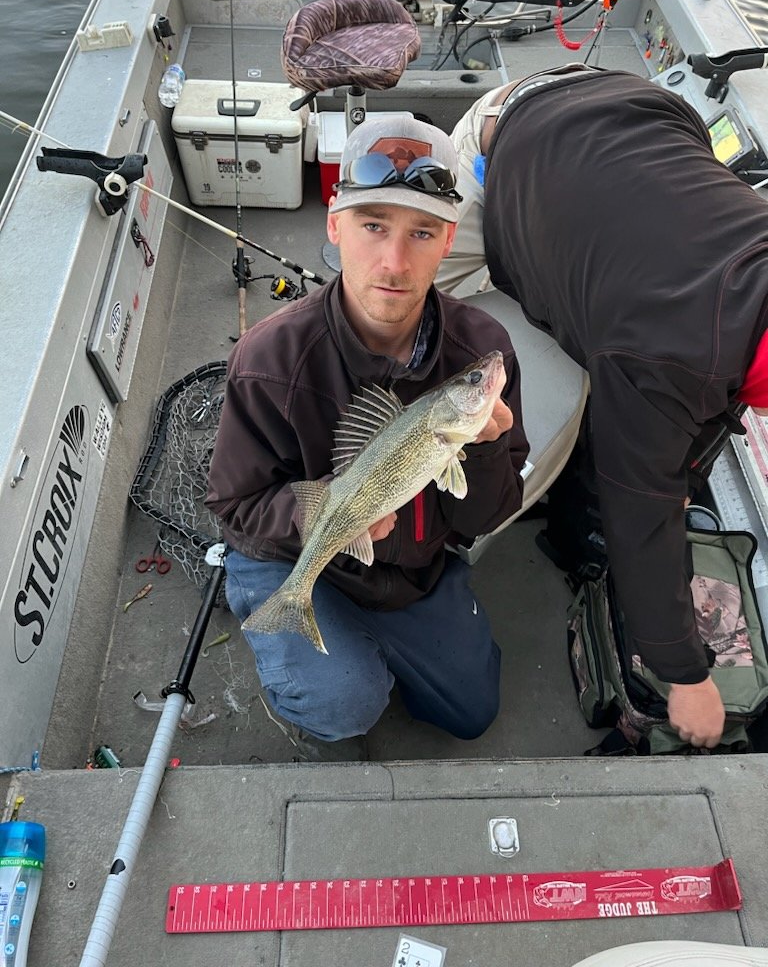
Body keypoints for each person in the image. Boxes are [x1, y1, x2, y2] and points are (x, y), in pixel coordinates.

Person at [439, 64, 768, 750]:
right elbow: (637, 510)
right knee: (393, 313)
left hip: (643, 106)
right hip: (507, 139)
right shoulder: (670, 357)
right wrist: (686, 679)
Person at [205, 114, 530, 761]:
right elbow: (234, 508)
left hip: (414, 571)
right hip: (295, 551)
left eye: (422, 233)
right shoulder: (269, 359)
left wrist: (489, 447)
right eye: (373, 225)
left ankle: (370, 641)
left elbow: (481, 519)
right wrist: (330, 514)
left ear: (449, 240)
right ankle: (272, 604)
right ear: (334, 224)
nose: (394, 260)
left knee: (472, 710)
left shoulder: (483, 351)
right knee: (345, 705)